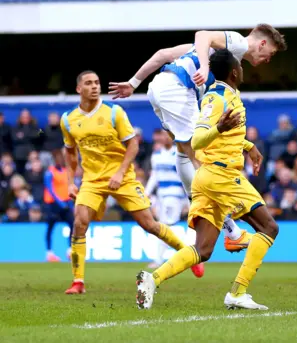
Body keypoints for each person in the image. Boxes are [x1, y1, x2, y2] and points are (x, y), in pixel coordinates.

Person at [108, 25, 286, 253]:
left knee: (185, 152)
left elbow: (163, 54)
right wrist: (204, 67)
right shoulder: (238, 43)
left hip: (159, 88)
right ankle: (231, 230)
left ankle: (201, 204)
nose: (267, 60)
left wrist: (133, 83)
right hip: (177, 91)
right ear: (262, 44)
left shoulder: (211, 51)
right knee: (203, 154)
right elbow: (203, 34)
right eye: (270, 54)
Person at [136, 49, 278, 311]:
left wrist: (247, 145)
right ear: (235, 71)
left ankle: (152, 279)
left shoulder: (228, 96)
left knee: (203, 249)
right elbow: (198, 139)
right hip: (221, 175)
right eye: (240, 66)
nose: (243, 69)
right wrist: (219, 128)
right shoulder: (217, 97)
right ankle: (237, 292)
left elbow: (224, 137)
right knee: (268, 228)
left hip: (209, 177)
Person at [62, 71, 204, 295]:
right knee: (79, 222)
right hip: (92, 180)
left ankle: (189, 254)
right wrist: (71, 182)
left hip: (124, 178)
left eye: (97, 82)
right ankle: (78, 282)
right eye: (89, 83)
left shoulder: (113, 112)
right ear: (79, 89)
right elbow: (70, 153)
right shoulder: (68, 120)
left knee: (149, 224)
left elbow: (133, 145)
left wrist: (119, 173)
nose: (95, 86)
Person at [145, 129, 189, 269]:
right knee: (165, 227)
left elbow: (185, 177)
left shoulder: (179, 154)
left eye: (167, 135)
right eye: (163, 135)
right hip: (161, 196)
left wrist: (188, 199)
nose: (165, 138)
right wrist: (146, 193)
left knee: (166, 226)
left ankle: (168, 258)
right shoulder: (156, 155)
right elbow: (154, 176)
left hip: (175, 195)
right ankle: (183, 255)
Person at [43, 149, 74, 263]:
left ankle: (70, 251)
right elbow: (50, 189)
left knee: (73, 225)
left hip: (66, 203)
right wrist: (60, 203)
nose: (61, 160)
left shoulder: (66, 171)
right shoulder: (49, 172)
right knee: (51, 227)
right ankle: (49, 253)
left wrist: (70, 203)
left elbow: (68, 188)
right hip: (53, 205)